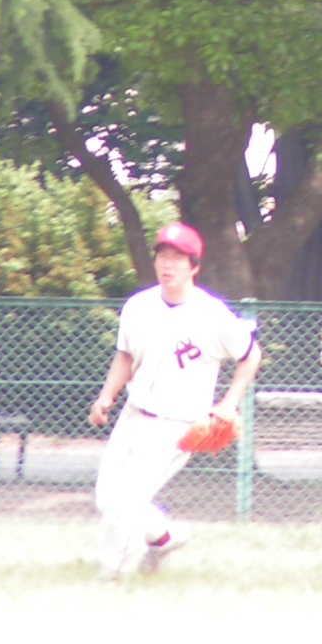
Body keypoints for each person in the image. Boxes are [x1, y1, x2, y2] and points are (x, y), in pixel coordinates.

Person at [89, 221, 262, 579]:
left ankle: (112, 577)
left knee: (126, 503)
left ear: (193, 266)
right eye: (163, 255)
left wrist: (229, 403)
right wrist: (107, 396)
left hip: (178, 424)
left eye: (178, 257)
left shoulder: (213, 315)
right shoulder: (138, 306)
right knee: (107, 499)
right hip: (134, 414)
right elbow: (125, 354)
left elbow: (251, 355)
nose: (168, 264)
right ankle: (165, 538)